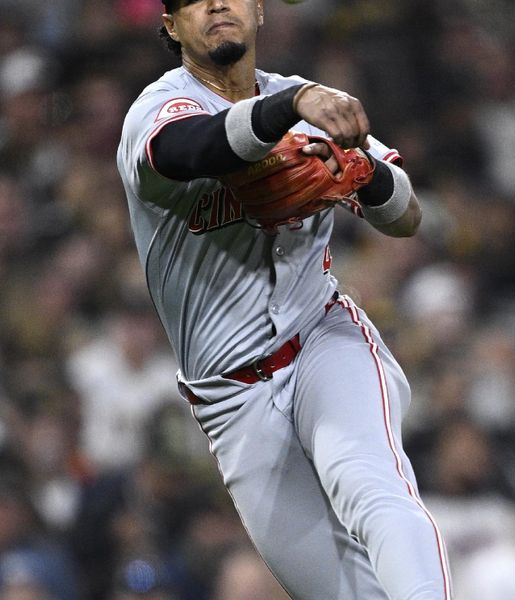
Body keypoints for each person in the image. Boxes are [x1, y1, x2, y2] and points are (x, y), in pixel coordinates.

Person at [116, 0, 451, 598]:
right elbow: (188, 149)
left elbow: (406, 215)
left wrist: (359, 172)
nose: (218, 3)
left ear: (260, 10)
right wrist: (285, 110)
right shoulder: (162, 109)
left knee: (372, 489)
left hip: (324, 337)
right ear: (169, 25)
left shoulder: (308, 100)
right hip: (231, 400)